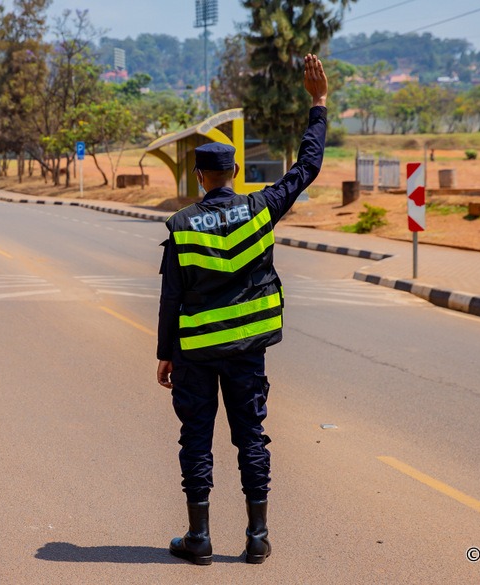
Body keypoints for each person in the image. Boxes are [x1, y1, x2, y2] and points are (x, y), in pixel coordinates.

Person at [156, 53, 328, 566]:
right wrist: (317, 103)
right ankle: (256, 538)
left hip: (195, 354)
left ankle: (200, 540)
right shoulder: (262, 208)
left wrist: (165, 353)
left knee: (196, 440)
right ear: (233, 172)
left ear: (198, 174)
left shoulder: (182, 225)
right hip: (247, 352)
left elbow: (171, 299)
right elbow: (308, 167)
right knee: (251, 437)